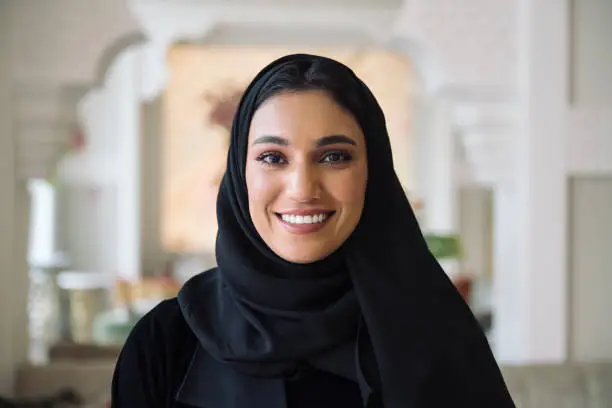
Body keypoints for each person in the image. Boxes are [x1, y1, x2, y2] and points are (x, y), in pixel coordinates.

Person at [111, 53, 515, 408]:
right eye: (273, 157)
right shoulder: (166, 341)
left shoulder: (433, 337)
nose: (303, 188)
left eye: (334, 156)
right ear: (239, 173)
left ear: (372, 174)